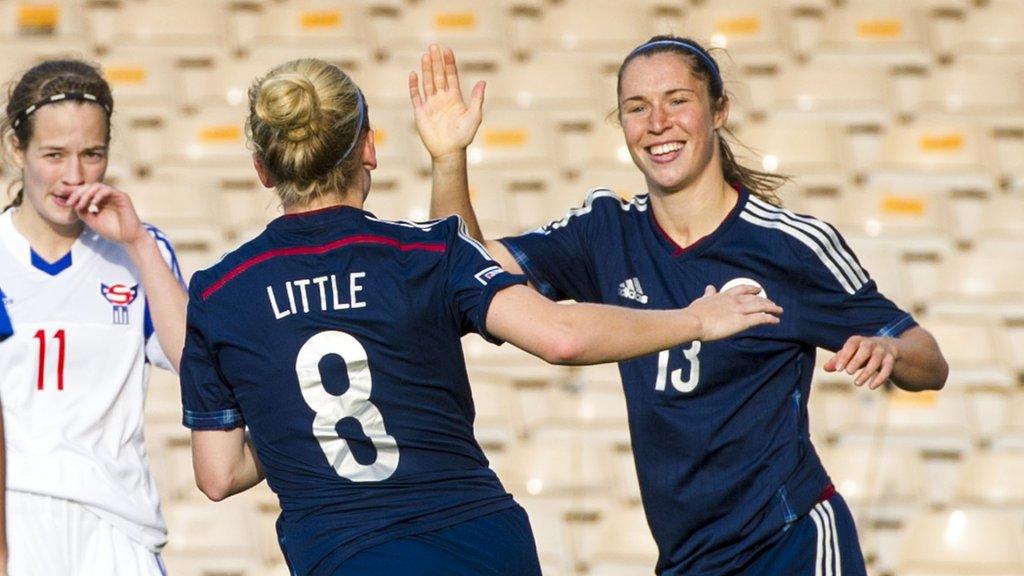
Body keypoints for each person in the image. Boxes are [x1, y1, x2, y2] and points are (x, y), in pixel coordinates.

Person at [179, 57, 783, 576]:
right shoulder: (423, 253)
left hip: (346, 555)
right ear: (369, 147)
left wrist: (293, 414)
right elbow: (561, 336)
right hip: (483, 545)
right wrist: (696, 320)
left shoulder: (220, 291)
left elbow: (219, 473)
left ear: (263, 168)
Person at [420, 38, 949, 575]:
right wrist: (448, 159)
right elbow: (464, 277)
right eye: (637, 107)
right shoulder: (604, 232)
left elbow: (928, 361)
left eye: (677, 100)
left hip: (791, 544)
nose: (657, 123)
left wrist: (890, 349)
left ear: (719, 110)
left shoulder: (790, 244)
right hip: (689, 560)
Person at [0, 60, 186, 575]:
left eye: (92, 154)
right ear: (18, 150)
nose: (74, 176)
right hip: (17, 516)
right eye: (54, 155)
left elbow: (198, 362)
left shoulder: (141, 251)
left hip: (118, 523)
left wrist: (139, 244)